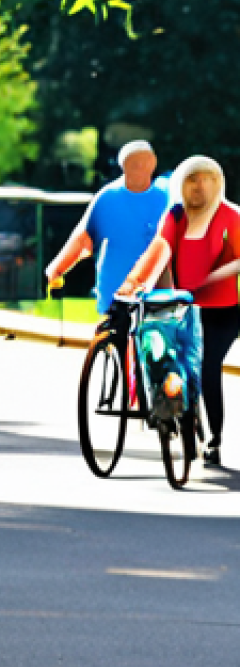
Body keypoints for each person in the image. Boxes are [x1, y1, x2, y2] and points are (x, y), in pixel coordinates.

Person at [118, 155, 240, 465]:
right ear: (181, 185)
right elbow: (160, 251)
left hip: (221, 311)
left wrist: (212, 278)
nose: (200, 186)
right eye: (192, 180)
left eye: (207, 180)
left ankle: (214, 439)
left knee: (207, 367)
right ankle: (178, 417)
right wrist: (135, 283)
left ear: (217, 183)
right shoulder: (175, 216)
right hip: (182, 308)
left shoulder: (230, 216)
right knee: (171, 361)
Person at [45, 140, 169, 315]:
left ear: (153, 163)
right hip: (115, 289)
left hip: (157, 292)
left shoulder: (166, 196)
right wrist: (57, 269)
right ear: (123, 166)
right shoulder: (109, 198)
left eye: (145, 162)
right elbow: (82, 239)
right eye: (134, 164)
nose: (140, 168)